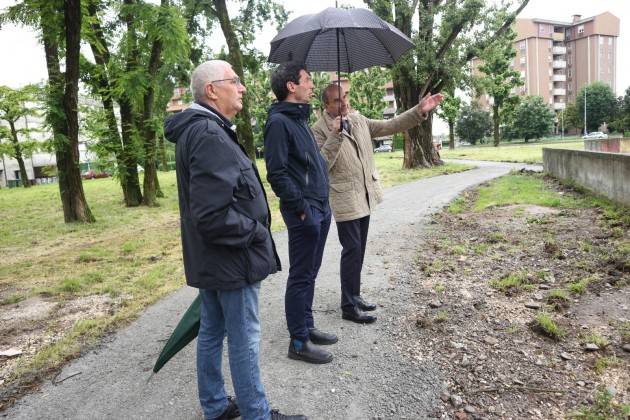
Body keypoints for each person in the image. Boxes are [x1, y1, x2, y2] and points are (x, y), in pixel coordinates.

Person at [164, 60, 305, 420]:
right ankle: (256, 414)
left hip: (216, 259)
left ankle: (215, 407)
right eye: (235, 81)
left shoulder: (204, 130)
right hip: (232, 259)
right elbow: (211, 215)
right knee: (244, 339)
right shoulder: (209, 134)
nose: (242, 87)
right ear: (212, 90)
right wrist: (257, 232)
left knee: (212, 331)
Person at [311, 83, 444, 324]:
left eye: (346, 97)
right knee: (351, 250)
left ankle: (355, 294)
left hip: (364, 193)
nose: (344, 103)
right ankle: (348, 306)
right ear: (326, 105)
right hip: (344, 198)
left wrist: (418, 111)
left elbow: (389, 126)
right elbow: (321, 165)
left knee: (359, 249)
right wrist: (335, 133)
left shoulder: (358, 119)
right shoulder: (318, 130)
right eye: (337, 100)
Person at [264, 62, 338, 365]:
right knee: (301, 275)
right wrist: (303, 210)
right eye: (307, 80)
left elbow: (312, 163)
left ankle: (307, 327)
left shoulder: (299, 120)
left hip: (320, 207)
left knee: (311, 272)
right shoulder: (279, 123)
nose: (311, 84)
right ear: (291, 86)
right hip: (305, 212)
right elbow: (277, 173)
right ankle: (298, 341)